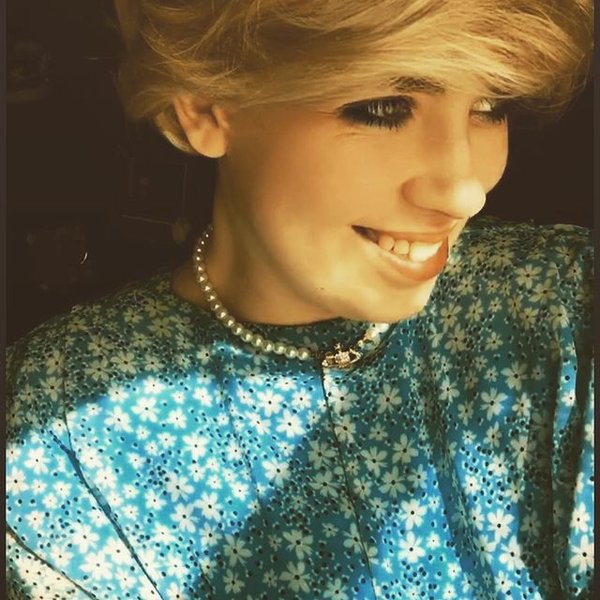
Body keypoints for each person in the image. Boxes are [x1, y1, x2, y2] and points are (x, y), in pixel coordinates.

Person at [6, 0, 593, 598]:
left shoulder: (564, 299)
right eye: (383, 108)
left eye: (490, 106)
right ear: (205, 104)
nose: (465, 192)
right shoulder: (60, 425)